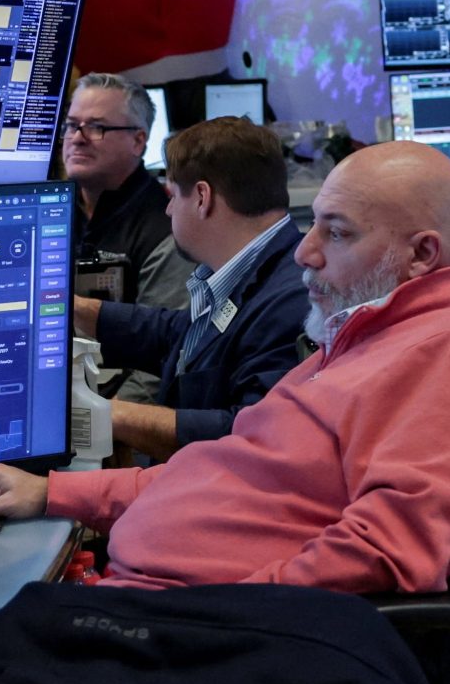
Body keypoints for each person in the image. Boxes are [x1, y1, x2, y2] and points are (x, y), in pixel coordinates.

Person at [0, 141, 450, 594]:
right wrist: (53, 493)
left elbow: (390, 552)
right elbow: (218, 470)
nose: (305, 251)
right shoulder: (361, 336)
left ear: (421, 255)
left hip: (208, 626)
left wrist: (230, 611)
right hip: (163, 601)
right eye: (315, 223)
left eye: (338, 231)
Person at [71, 117, 308, 460]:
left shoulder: (290, 303)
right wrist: (71, 309)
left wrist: (108, 415)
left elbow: (249, 435)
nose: (168, 209)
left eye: (171, 195)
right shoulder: (260, 267)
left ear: (201, 197)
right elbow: (179, 336)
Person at [63, 73, 195, 348]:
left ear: (138, 141)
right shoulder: (49, 211)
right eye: (71, 125)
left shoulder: (167, 229)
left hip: (118, 386)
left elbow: (164, 350)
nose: (77, 138)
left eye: (97, 127)